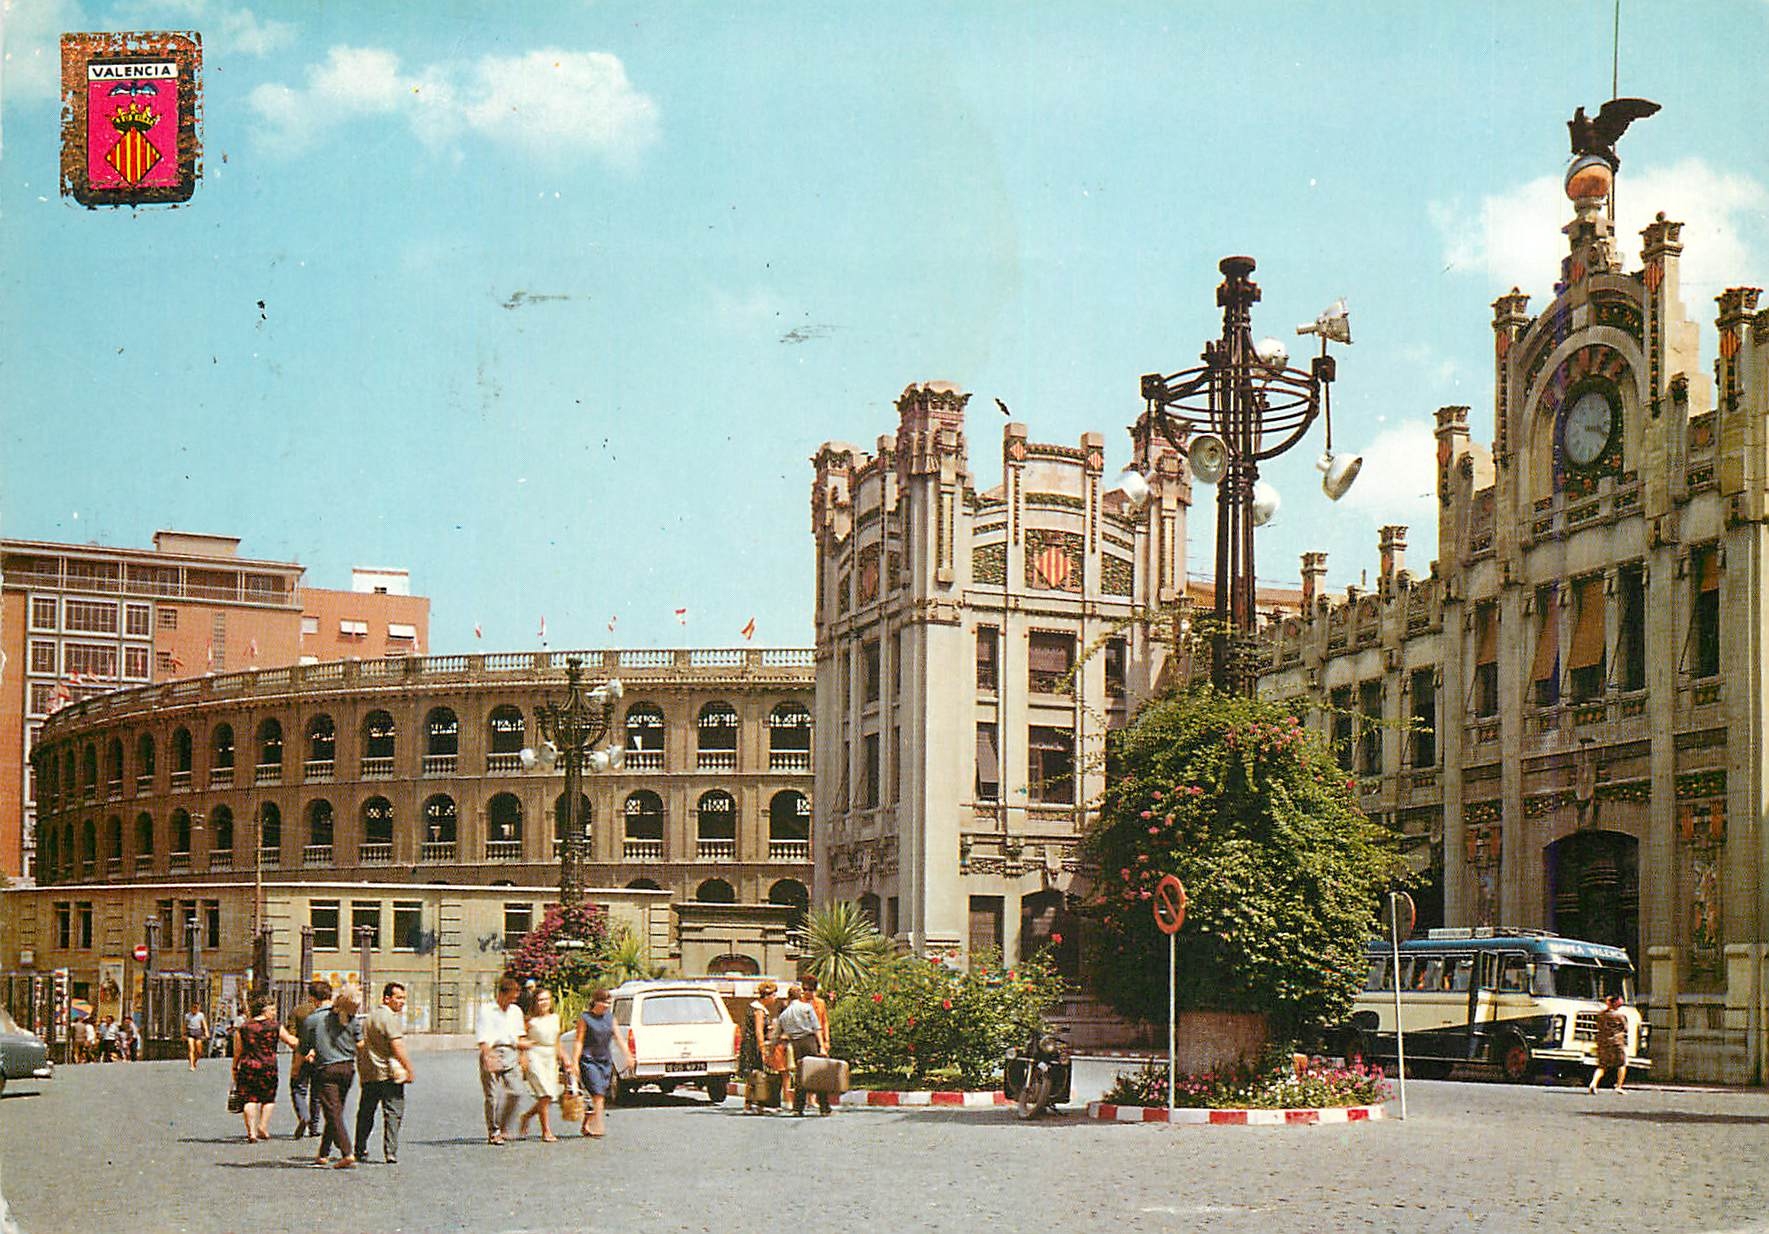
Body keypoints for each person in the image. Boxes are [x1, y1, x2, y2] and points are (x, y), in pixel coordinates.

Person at [355, 982, 415, 1165]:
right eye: (398, 998)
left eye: (404, 998)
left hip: (369, 1072)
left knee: (366, 1112)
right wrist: (409, 1069)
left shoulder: (369, 1017)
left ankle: (359, 1148)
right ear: (387, 998)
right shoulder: (390, 1018)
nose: (402, 1002)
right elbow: (397, 1046)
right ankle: (390, 1152)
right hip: (389, 1074)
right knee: (393, 1113)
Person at [307, 984, 362, 1168]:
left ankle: (347, 1152)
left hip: (326, 1070)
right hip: (347, 1069)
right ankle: (323, 1153)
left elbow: (303, 1047)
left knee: (333, 1113)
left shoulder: (315, 1019)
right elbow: (360, 1044)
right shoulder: (353, 1021)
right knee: (335, 1111)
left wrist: (299, 1066)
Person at [477, 976, 529, 1145]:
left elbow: (520, 1035)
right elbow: (482, 1037)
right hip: (492, 1051)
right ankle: (494, 1131)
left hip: (511, 1052)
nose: (512, 1001)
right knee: (492, 1096)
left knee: (516, 1091)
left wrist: (523, 1056)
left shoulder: (516, 1012)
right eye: (510, 998)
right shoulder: (486, 1011)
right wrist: (488, 1056)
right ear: (501, 994)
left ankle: (502, 1124)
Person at [564, 987, 616, 1138]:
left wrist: (626, 1054)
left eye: (609, 1003)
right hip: (588, 1060)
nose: (607, 1006)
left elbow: (617, 1037)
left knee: (598, 1094)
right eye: (604, 1002)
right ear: (596, 1002)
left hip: (604, 1060)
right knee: (597, 1092)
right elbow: (579, 1041)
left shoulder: (609, 1018)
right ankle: (598, 1125)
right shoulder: (585, 1018)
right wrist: (574, 1062)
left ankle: (586, 1124)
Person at [283, 979, 331, 1138]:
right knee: (316, 1093)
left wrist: (304, 1050)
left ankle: (304, 1115)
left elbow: (291, 1035)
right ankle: (314, 1127)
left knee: (298, 1087)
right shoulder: (330, 1013)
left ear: (309, 995)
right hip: (322, 1056)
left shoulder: (298, 1011)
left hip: (301, 1054)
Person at [232, 995, 282, 1142]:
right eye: (272, 1010)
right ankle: (263, 1127)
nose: (274, 1013)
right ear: (264, 1010)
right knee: (268, 1099)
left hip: (248, 1067)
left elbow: (238, 1051)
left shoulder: (244, 1027)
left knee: (249, 1099)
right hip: (268, 1067)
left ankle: (251, 1133)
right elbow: (291, 1041)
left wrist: (234, 1067)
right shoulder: (275, 1026)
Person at [518, 988, 563, 1142]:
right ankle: (546, 1131)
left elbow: (557, 1041)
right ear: (535, 1002)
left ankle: (527, 1116)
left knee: (549, 1095)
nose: (544, 1003)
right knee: (544, 1093)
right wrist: (523, 1057)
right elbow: (521, 1039)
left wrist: (565, 1059)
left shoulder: (555, 1018)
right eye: (540, 1000)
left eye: (546, 999)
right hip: (535, 1055)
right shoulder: (530, 1021)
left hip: (550, 1057)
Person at [779, 985, 830, 1116]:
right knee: (817, 1073)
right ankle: (824, 1107)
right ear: (800, 995)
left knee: (800, 1075)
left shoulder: (784, 1014)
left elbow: (779, 1033)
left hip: (796, 1044)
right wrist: (822, 1046)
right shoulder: (807, 1008)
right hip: (809, 1041)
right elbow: (817, 1027)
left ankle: (798, 1108)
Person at [740, 981, 781, 1114]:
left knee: (754, 1075)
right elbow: (758, 1031)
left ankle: (752, 1103)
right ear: (767, 996)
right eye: (773, 995)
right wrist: (762, 1049)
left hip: (751, 1044)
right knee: (755, 1074)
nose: (775, 998)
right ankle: (751, 1104)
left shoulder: (757, 1007)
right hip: (753, 1046)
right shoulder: (759, 1010)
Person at [1588, 992, 1631, 1094]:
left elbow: (1598, 1026)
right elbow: (1625, 1028)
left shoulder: (1601, 1015)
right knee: (1621, 1064)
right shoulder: (1620, 1016)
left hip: (1603, 1042)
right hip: (1617, 1043)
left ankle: (1593, 1083)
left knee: (1602, 1066)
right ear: (1615, 1003)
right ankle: (1619, 1086)